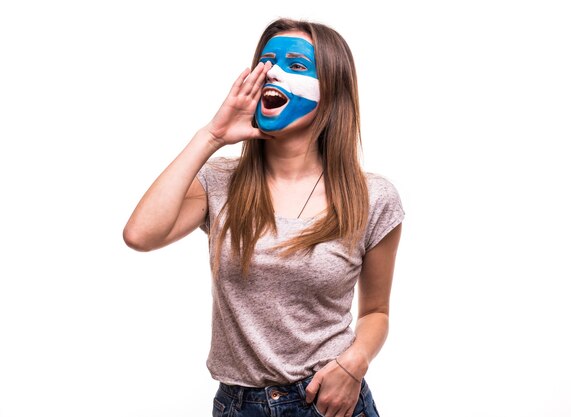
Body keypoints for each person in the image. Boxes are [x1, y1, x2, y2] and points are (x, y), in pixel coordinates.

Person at [123, 18, 404, 417]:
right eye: (266, 61)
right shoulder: (220, 182)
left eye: (297, 65)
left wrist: (353, 364)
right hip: (239, 405)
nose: (272, 71)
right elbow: (139, 235)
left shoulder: (373, 197)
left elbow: (376, 312)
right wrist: (212, 136)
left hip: (328, 399)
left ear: (332, 92)